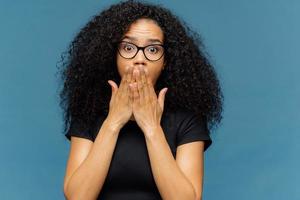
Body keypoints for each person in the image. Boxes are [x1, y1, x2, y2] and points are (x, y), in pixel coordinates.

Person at [57, 0, 223, 199]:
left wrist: (152, 127)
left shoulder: (188, 118)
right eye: (128, 47)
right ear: (113, 56)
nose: (140, 58)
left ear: (165, 62)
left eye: (153, 50)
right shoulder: (89, 113)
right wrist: (113, 122)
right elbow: (77, 196)